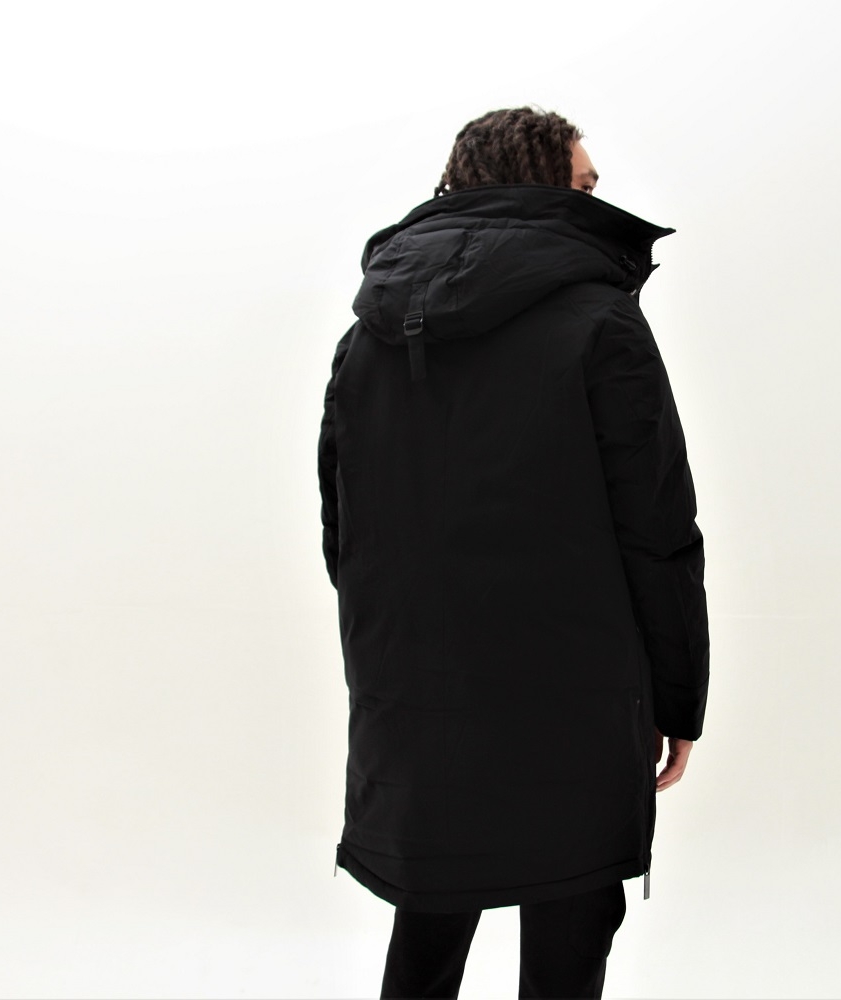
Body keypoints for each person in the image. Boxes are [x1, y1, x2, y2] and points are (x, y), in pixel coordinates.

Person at [317, 106, 710, 999]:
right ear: (540, 189)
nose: (597, 198)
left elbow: (347, 531)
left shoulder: (369, 334)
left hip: (416, 688)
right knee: (571, 911)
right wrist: (677, 693)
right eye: (583, 184)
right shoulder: (599, 321)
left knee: (431, 911)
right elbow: (656, 529)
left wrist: (397, 663)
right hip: (576, 693)